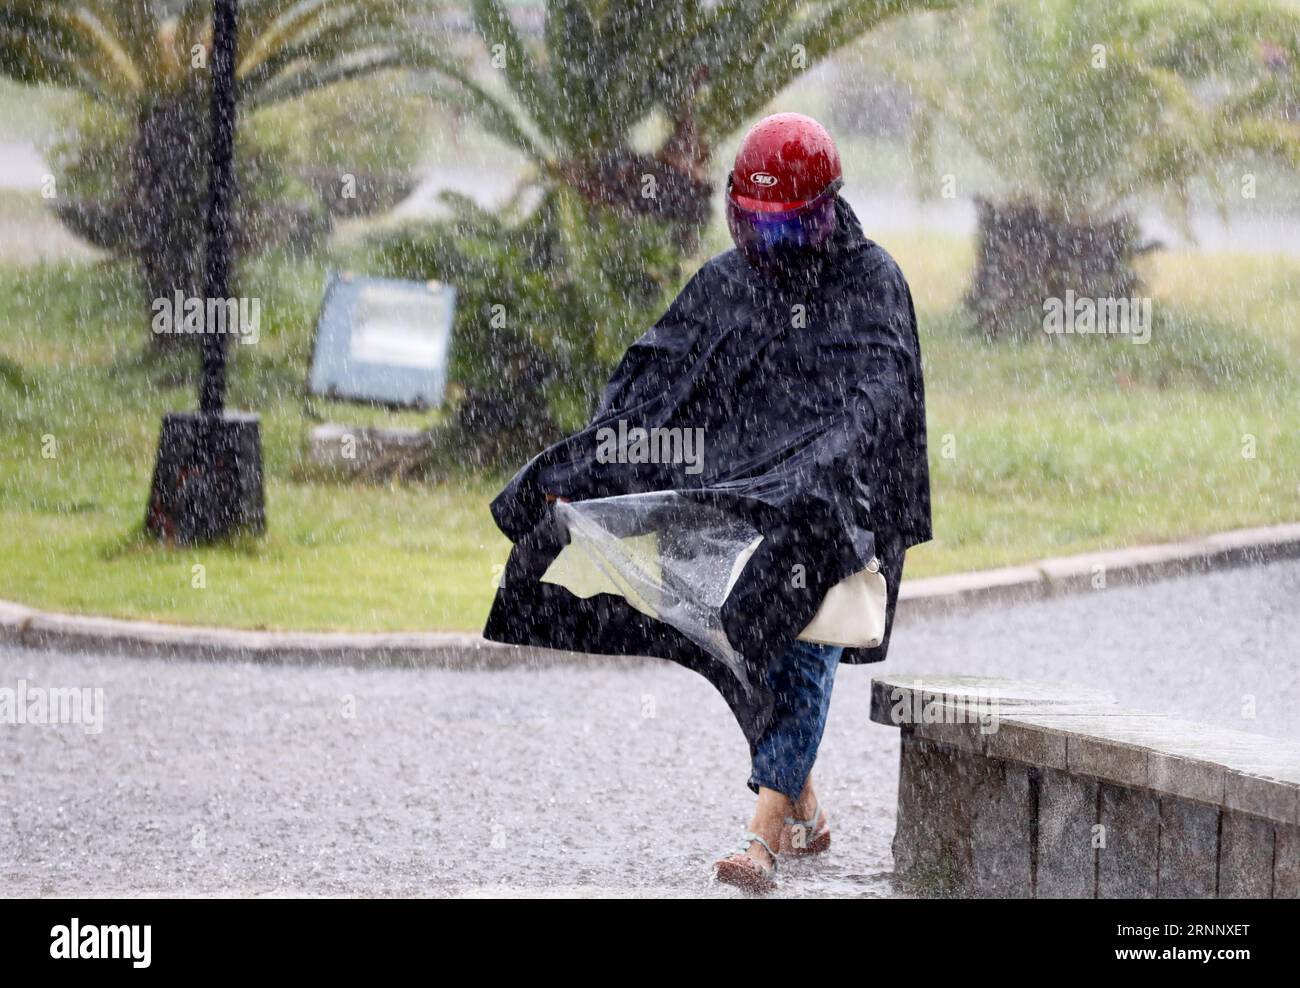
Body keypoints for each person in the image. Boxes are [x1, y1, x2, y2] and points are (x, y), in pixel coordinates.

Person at [484, 113, 931, 895]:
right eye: (756, 225)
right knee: (741, 654)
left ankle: (760, 843)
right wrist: (588, 468)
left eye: (790, 227)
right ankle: (803, 806)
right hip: (732, 514)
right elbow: (652, 386)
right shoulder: (727, 284)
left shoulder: (873, 284)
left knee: (798, 646)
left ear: (827, 212)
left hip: (831, 517)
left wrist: (812, 482)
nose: (773, 245)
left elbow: (879, 406)